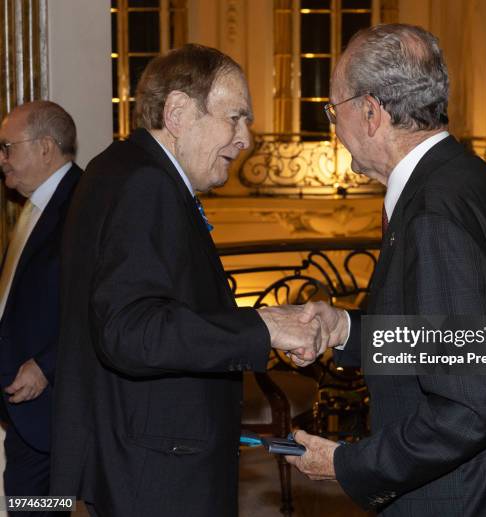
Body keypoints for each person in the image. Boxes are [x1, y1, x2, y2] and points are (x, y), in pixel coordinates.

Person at [286, 24, 486, 516]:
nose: (333, 127)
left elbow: (467, 408)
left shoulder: (434, 215)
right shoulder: (476, 179)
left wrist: (350, 463)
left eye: (333, 110)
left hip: (470, 495)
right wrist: (343, 330)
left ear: (370, 112)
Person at [49, 44, 320, 517]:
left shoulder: (118, 168)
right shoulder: (146, 184)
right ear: (177, 112)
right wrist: (264, 327)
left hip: (130, 457)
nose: (246, 139)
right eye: (235, 117)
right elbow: (130, 330)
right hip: (158, 475)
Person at [0, 101, 81, 517]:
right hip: (27, 413)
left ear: (46, 147)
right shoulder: (34, 206)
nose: (2, 160)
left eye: (8, 147)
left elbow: (95, 305)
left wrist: (46, 366)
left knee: (38, 510)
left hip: (57, 405)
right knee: (29, 508)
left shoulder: (83, 205)